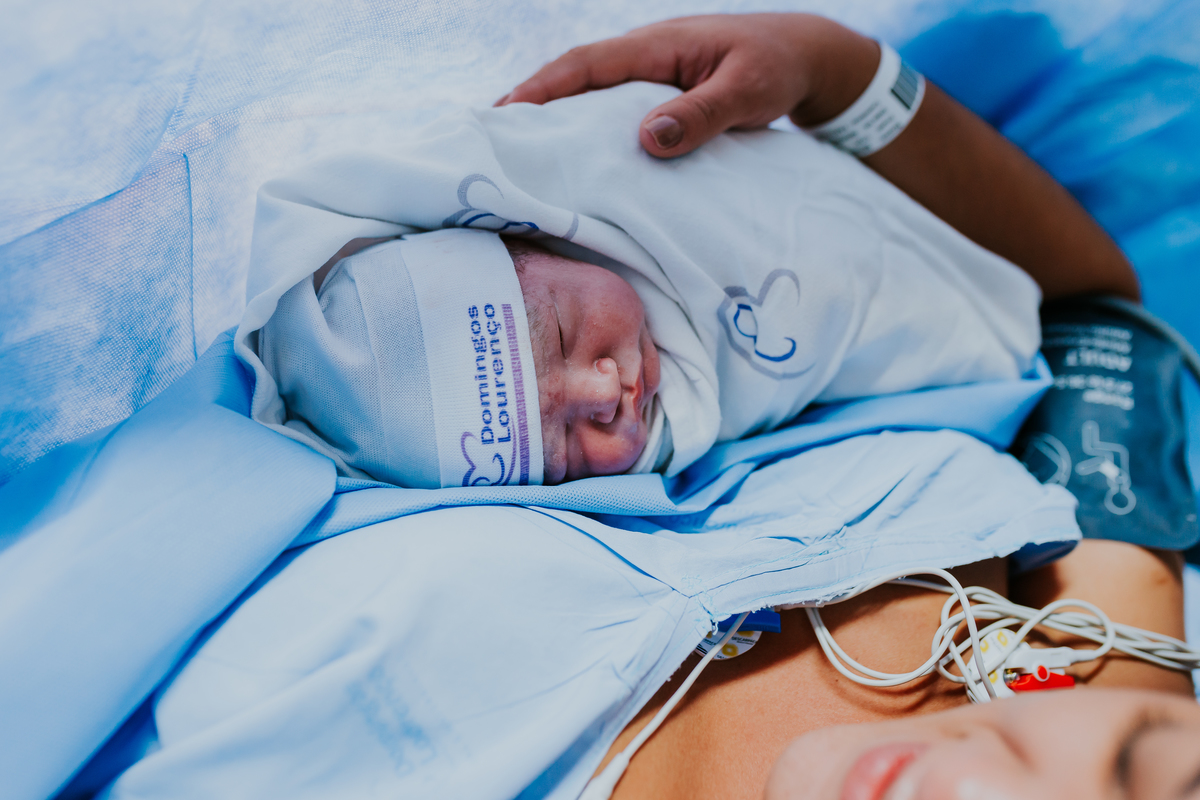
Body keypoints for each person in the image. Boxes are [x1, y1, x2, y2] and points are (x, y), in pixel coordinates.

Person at [490, 12, 1196, 799]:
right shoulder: (1094, 672)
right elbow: (1092, 323)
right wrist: (843, 79)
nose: (971, 788)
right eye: (1139, 772)